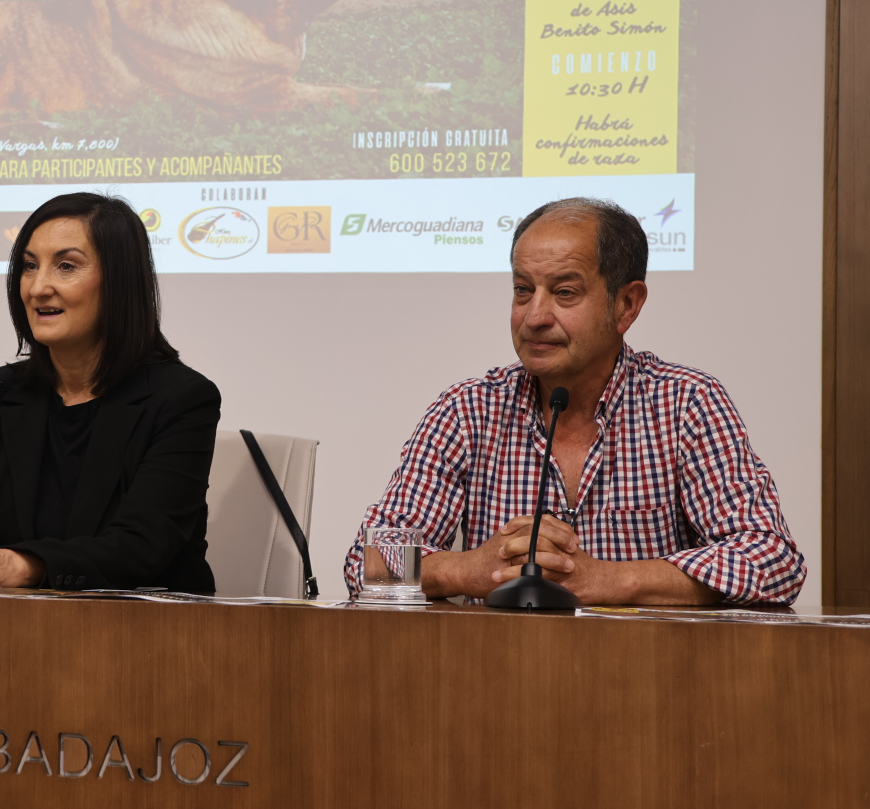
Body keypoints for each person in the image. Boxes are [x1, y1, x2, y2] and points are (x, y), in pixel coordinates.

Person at [344, 197, 805, 605]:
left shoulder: (686, 404)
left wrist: (609, 579)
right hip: (498, 667)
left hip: (647, 668)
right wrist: (469, 570)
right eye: (523, 290)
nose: (534, 317)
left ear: (627, 305)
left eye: (565, 293)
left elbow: (773, 559)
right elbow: (367, 564)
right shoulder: (468, 410)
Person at [0, 192, 220, 591]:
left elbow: (141, 547)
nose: (38, 287)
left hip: (149, 622)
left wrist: (17, 565)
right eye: (29, 266)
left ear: (120, 280)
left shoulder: (182, 398)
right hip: (26, 622)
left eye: (66, 266)